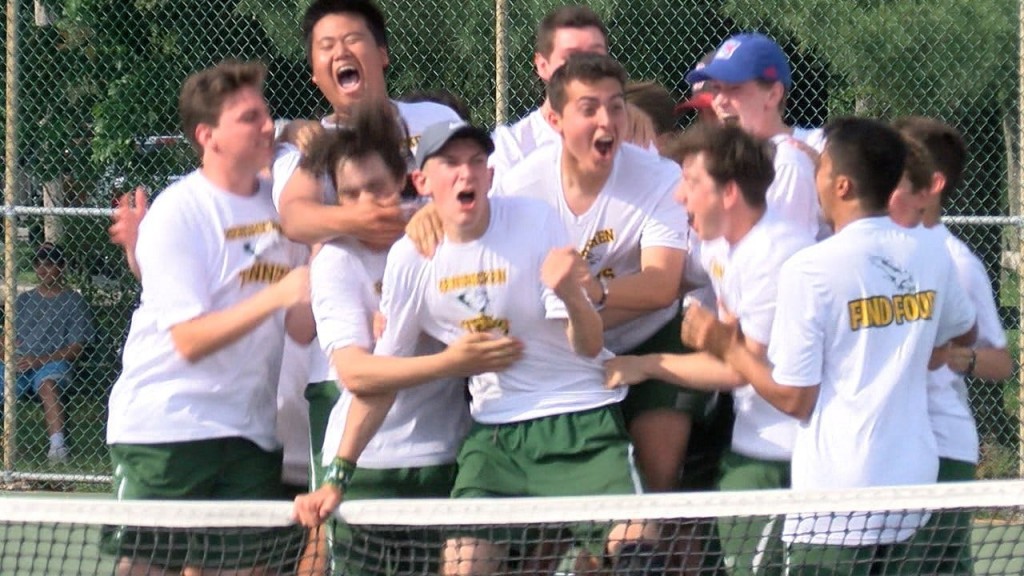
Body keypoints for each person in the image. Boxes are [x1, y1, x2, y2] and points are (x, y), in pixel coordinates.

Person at [358, 118, 660, 574]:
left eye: (475, 161)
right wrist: (338, 471)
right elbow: (380, 375)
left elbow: (589, 342)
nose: (465, 172)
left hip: (580, 419)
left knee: (638, 558)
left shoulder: (534, 220)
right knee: (463, 566)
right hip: (495, 435)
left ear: (491, 174)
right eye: (450, 163)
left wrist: (571, 293)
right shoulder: (411, 257)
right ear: (421, 181)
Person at [681, 117, 977, 575]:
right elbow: (964, 332)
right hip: (913, 487)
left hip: (836, 499)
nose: (812, 178)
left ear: (841, 185)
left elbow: (795, 399)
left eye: (820, 168)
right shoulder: (930, 253)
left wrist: (726, 345)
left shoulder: (810, 269)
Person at [290, 104, 523, 575]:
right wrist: (450, 361)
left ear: (404, 180)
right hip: (365, 463)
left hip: (442, 456)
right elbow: (356, 374)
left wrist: (429, 212)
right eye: (350, 193)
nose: (366, 204)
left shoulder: (444, 233)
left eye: (377, 188)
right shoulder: (334, 261)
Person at [104, 60, 310, 576]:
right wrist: (278, 295)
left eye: (266, 113)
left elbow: (300, 327)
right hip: (168, 426)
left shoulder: (283, 208)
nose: (267, 125)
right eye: (249, 118)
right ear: (207, 135)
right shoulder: (180, 211)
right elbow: (190, 340)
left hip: (251, 432)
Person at [606, 122, 815, 575]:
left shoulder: (775, 256)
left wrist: (646, 364)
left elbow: (740, 367)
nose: (679, 195)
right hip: (753, 439)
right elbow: (668, 283)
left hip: (791, 454)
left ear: (730, 193)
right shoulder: (719, 246)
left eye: (691, 181)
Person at [492, 53, 692, 496]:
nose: (607, 121)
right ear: (556, 121)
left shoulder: (661, 178)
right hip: (563, 347)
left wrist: (593, 290)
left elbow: (662, 284)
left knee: (658, 478)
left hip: (647, 334)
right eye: (589, 108)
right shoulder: (519, 188)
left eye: (616, 106)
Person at [891, 116, 1012, 574]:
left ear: (933, 183)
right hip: (892, 446)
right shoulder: (872, 248)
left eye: (899, 166)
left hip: (942, 446)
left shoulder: (958, 263)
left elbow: (1001, 362)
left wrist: (958, 356)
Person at [275, 0, 461, 247]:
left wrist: (439, 208)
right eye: (327, 46)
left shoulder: (436, 118)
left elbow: (483, 176)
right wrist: (357, 219)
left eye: (352, 39)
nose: (341, 52)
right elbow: (294, 217)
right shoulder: (316, 144)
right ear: (315, 75)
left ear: (383, 54)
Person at [685, 33, 821, 238]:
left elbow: (778, 250)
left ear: (773, 95)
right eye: (717, 88)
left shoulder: (805, 152)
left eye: (734, 88)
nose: (719, 101)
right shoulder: (718, 157)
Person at [489, 4, 609, 177]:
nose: (586, 65)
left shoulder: (630, 135)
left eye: (595, 55)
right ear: (542, 65)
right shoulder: (511, 148)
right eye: (571, 57)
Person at [1, 243, 93, 462]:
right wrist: (7, 356)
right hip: (18, 362)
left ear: (61, 268)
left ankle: (57, 448)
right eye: (39, 264)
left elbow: (76, 347)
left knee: (47, 385)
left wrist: (39, 360)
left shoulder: (73, 302)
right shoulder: (23, 300)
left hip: (52, 361)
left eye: (50, 264)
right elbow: (6, 337)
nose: (43, 270)